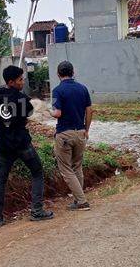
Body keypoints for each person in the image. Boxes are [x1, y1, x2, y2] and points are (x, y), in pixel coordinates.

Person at [0, 65, 54, 226]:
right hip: (22, 144)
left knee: (0, 180)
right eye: (20, 79)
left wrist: (0, 123)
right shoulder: (22, 99)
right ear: (11, 82)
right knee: (37, 173)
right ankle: (37, 211)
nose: (23, 82)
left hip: (4, 147)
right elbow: (28, 113)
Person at [50, 61, 93, 211]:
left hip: (64, 134)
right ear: (73, 72)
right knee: (77, 167)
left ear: (58, 74)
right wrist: (86, 130)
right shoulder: (83, 88)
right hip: (80, 132)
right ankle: (78, 199)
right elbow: (89, 111)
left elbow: (57, 113)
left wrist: (46, 111)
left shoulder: (57, 91)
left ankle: (81, 201)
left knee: (66, 169)